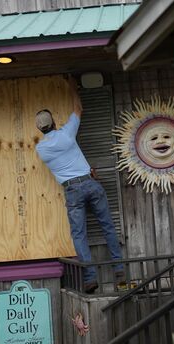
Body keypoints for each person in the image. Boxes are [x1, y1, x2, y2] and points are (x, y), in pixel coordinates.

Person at [36, 76, 124, 293]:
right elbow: (78, 108)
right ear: (54, 123)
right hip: (90, 182)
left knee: (79, 235)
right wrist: (72, 86)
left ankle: (90, 277)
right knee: (107, 226)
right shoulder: (67, 133)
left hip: (72, 190)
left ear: (41, 129)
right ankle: (120, 268)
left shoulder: (41, 149)